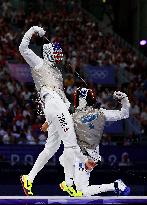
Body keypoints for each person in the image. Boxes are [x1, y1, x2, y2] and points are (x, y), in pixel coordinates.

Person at [19, 26, 79, 196]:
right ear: (48, 53)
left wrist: (49, 120)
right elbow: (23, 48)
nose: (59, 56)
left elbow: (61, 98)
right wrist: (32, 30)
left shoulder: (58, 75)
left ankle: (28, 179)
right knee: (70, 142)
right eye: (56, 52)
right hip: (51, 103)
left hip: (55, 108)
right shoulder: (39, 63)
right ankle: (68, 183)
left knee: (51, 148)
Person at [42, 89, 131, 196]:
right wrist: (124, 99)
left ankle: (116, 185)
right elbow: (124, 113)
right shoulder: (97, 113)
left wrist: (49, 123)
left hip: (86, 156)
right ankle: (70, 182)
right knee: (63, 159)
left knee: (82, 191)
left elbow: (60, 128)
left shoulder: (77, 116)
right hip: (84, 153)